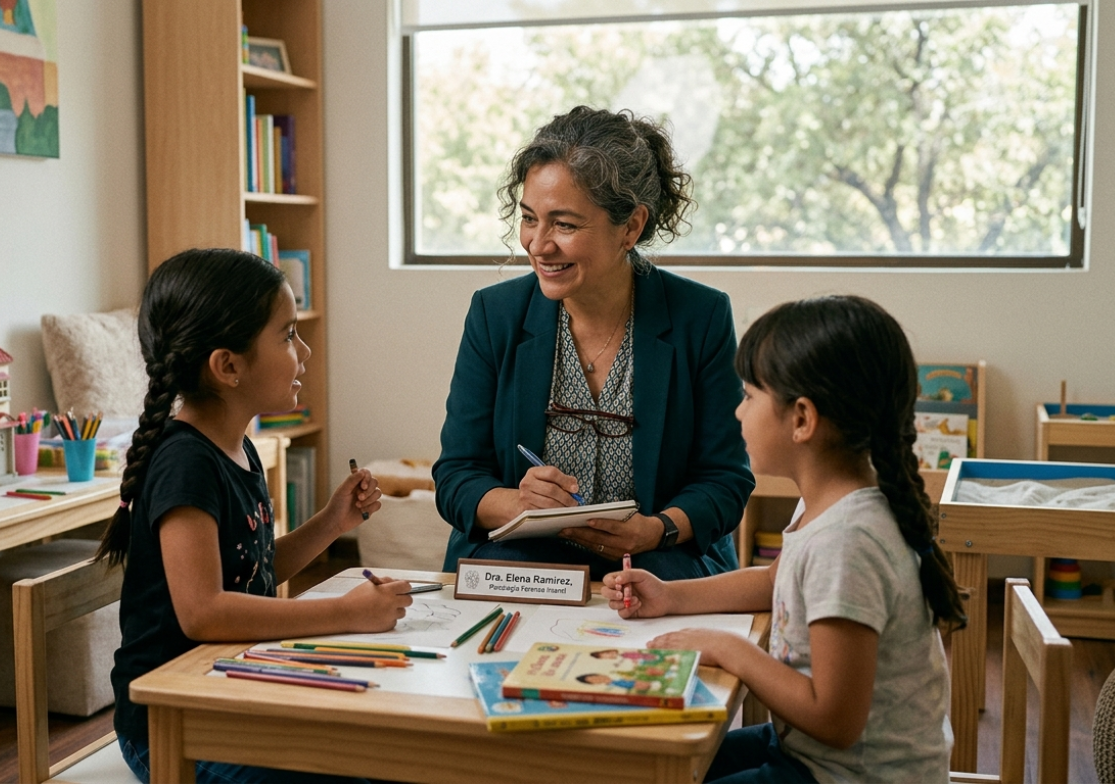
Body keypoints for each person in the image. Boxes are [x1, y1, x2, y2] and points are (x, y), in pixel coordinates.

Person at [602, 295, 965, 783]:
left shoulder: (849, 541)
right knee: (658, 764)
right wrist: (670, 596)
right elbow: (778, 580)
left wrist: (732, 650)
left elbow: (835, 720)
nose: (737, 412)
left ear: (802, 419)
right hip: (809, 753)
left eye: (749, 396)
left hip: (848, 774)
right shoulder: (832, 505)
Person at [99, 248, 411, 784]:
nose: (304, 350)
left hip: (229, 686)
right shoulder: (185, 464)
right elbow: (205, 612)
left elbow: (253, 570)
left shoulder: (238, 447)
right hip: (172, 721)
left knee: (381, 746)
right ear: (228, 366)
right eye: (288, 335)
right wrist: (346, 613)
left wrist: (332, 523)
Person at [433, 105, 754, 581]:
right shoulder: (494, 314)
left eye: (564, 225)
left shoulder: (700, 316)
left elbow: (725, 479)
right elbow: (456, 475)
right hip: (523, 560)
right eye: (528, 219)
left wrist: (656, 530)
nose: (538, 245)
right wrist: (518, 503)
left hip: (657, 560)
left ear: (631, 227)